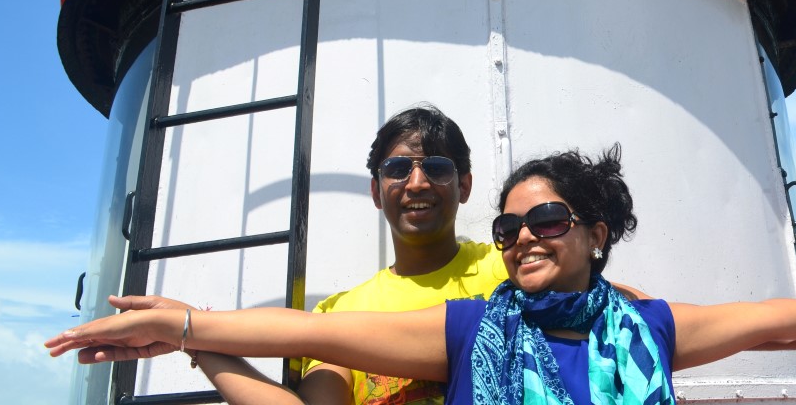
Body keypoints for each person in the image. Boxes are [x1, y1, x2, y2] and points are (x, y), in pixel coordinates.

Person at [48, 145, 796, 404]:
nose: (524, 238)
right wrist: (182, 326)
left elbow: (762, 318)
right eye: (508, 226)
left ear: (596, 232)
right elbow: (310, 331)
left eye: (547, 220)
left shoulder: (649, 329)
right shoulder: (474, 331)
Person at [118, 104, 508, 405]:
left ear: (465, 186)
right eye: (398, 168)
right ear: (376, 191)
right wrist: (191, 335)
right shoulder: (343, 312)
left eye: (437, 168)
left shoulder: (508, 269)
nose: (418, 183)